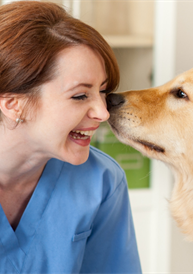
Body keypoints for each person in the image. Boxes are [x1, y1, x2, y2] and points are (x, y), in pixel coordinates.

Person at [0, 1, 142, 273]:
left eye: (102, 91)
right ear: (12, 104)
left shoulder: (101, 182)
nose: (103, 112)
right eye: (80, 95)